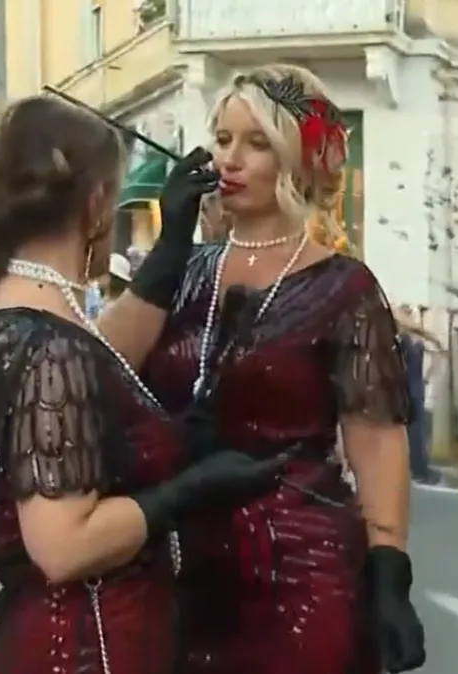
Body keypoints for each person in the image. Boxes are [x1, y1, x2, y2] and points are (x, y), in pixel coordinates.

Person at [97, 63, 426, 674]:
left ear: (297, 159)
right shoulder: (185, 270)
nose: (230, 159)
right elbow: (98, 368)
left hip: (300, 573)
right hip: (176, 562)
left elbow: (378, 441)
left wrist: (389, 574)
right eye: (223, 139)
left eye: (257, 143)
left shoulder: (344, 287)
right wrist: (168, 250)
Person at [0, 94, 284, 674]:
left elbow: (103, 363)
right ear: (97, 203)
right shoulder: (50, 346)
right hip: (86, 650)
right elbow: (63, 546)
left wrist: (172, 247)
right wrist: (190, 490)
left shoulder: (8, 318)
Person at [394, 304, 441, 485]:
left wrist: (428, 376)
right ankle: (415, 468)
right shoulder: (404, 335)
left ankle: (417, 468)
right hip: (407, 384)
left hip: (413, 384)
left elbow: (436, 354)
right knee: (411, 427)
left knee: (415, 427)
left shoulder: (410, 337)